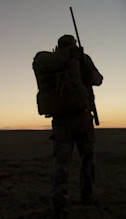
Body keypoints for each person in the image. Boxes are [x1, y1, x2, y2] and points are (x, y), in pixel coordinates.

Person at [50, 35, 103, 218]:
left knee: (61, 163)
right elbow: (98, 79)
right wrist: (83, 61)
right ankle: (86, 196)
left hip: (60, 120)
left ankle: (60, 204)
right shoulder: (81, 58)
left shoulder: (53, 63)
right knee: (87, 159)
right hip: (82, 118)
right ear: (74, 45)